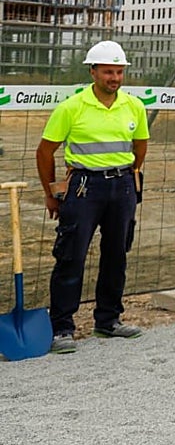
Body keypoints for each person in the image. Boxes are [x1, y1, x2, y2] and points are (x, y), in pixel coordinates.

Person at [35, 40, 149, 354]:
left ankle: (108, 321)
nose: (114, 77)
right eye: (108, 71)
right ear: (93, 72)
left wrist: (131, 176)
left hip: (122, 185)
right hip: (84, 187)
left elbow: (140, 145)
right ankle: (62, 328)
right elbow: (45, 152)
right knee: (71, 256)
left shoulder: (133, 106)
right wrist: (50, 193)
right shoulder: (72, 107)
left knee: (117, 254)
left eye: (119, 71)